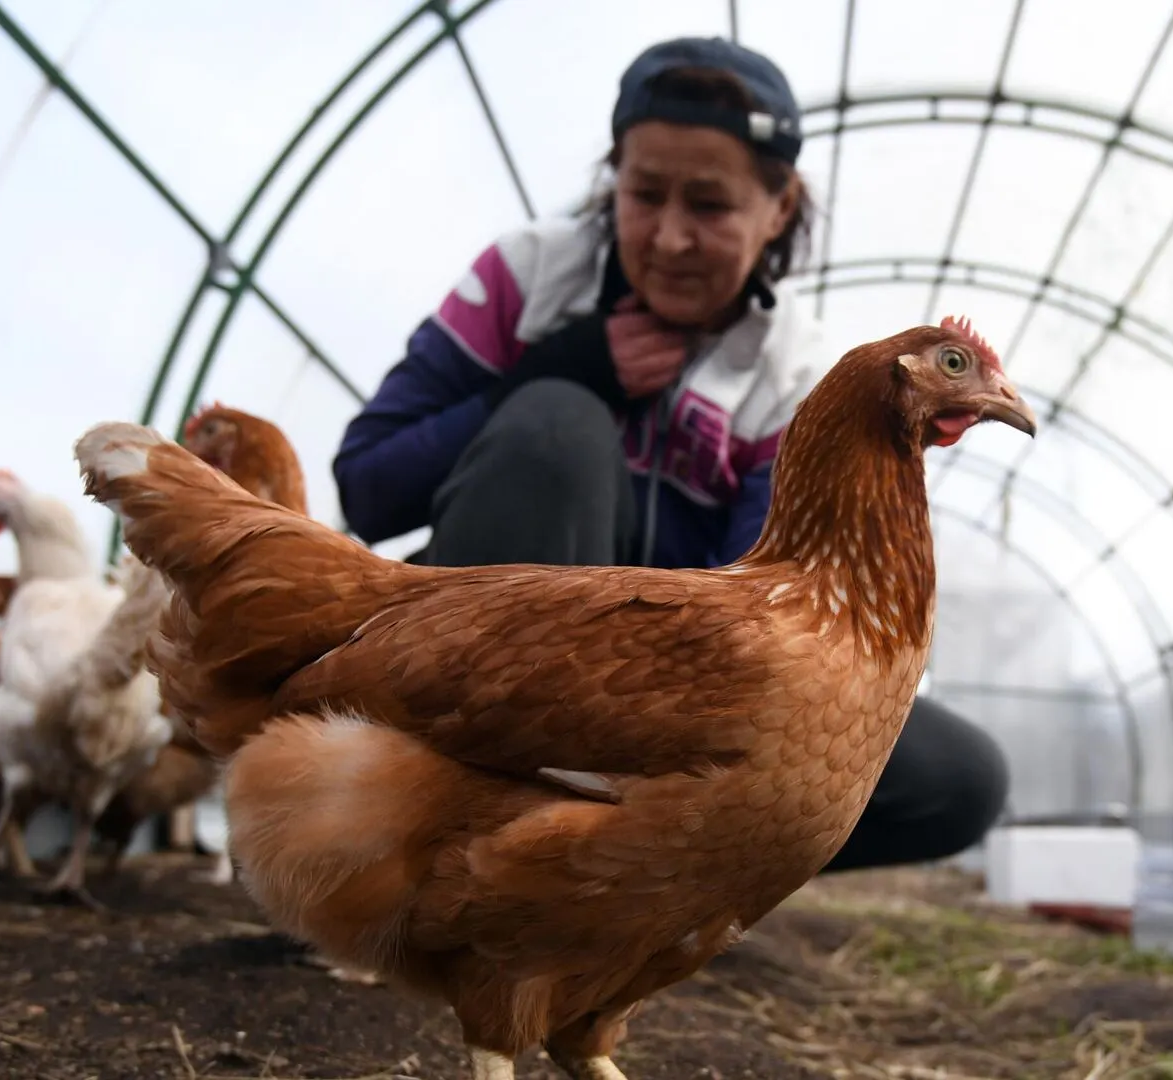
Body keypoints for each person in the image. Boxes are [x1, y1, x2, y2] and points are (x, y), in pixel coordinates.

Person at [331, 36, 1008, 873]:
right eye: (644, 194)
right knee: (554, 427)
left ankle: (654, 880)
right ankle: (427, 840)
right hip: (488, 667)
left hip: (657, 688)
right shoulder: (526, 280)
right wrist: (550, 369)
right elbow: (365, 486)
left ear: (779, 209)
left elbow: (759, 633)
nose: (671, 237)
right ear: (612, 179)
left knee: (958, 777)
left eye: (711, 206)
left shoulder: (796, 371)